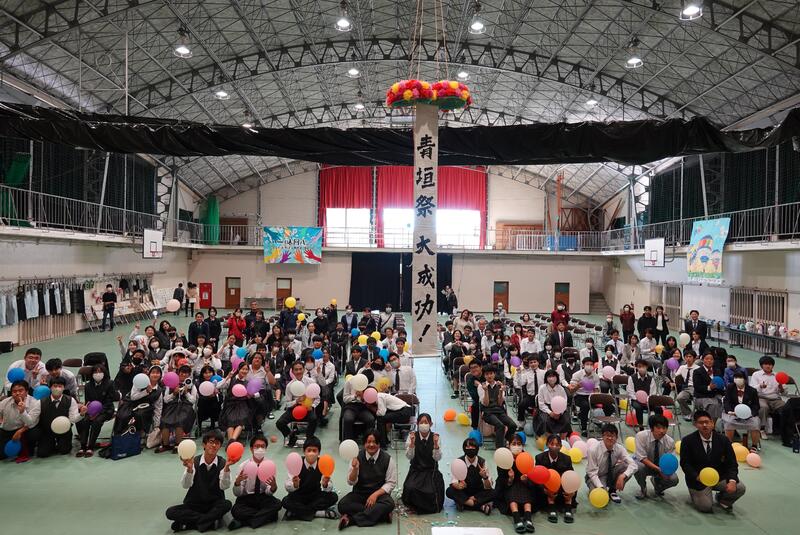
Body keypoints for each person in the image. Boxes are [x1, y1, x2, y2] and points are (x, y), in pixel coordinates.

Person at [165, 429, 233, 532]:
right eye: (211, 442)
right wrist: (189, 469)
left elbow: (224, 486)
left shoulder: (223, 463)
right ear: (204, 444)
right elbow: (185, 485)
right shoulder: (194, 461)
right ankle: (209, 522)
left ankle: (190, 523)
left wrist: (227, 469)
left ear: (220, 446)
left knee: (227, 504)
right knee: (170, 512)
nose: (214, 445)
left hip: (214, 504)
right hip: (194, 504)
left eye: (217, 443)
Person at [679, 410, 746, 513]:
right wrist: (697, 477)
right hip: (698, 480)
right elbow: (685, 464)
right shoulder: (687, 441)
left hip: (719, 477)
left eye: (707, 422)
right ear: (695, 424)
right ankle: (697, 494)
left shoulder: (724, 440)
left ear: (712, 423)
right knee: (705, 507)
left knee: (740, 488)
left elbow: (732, 463)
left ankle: (722, 499)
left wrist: (732, 481)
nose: (704, 425)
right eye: (701, 423)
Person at [338, 430, 397, 529]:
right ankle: (381, 515)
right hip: (360, 493)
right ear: (364, 443)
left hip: (379, 495)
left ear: (379, 444)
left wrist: (375, 495)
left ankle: (351, 520)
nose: (371, 445)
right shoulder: (356, 457)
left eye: (374, 442)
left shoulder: (388, 459)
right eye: (368, 442)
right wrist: (355, 469)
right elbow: (351, 482)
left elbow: (390, 483)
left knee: (389, 504)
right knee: (342, 505)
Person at [228, 435, 282, 529]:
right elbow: (238, 494)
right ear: (251, 449)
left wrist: (273, 487)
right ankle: (265, 517)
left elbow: (268, 492)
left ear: (266, 449)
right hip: (247, 498)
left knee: (278, 504)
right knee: (235, 510)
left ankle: (244, 521)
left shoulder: (270, 466)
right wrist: (237, 483)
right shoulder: (243, 466)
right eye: (257, 446)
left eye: (263, 446)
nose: (260, 449)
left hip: (263, 497)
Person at [280, 434, 339, 520]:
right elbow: (287, 487)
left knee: (333, 497)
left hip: (315, 495)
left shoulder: (323, 463)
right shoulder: (296, 462)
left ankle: (297, 513)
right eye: (309, 450)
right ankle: (318, 513)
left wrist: (325, 484)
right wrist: (295, 485)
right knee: (285, 501)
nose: (311, 453)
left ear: (319, 452)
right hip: (299, 495)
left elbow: (328, 488)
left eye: (314, 450)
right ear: (304, 451)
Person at [401, 413, 445, 514]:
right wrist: (412, 444)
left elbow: (437, 458)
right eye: (421, 422)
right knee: (410, 488)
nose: (424, 424)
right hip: (416, 470)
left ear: (431, 424)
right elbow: (409, 456)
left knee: (431, 492)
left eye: (426, 422)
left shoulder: (436, 437)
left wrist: (436, 445)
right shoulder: (412, 436)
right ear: (417, 424)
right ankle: (414, 506)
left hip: (431, 471)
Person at [585, 424, 637, 503]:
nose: (610, 438)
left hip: (610, 473)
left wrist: (623, 476)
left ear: (616, 437)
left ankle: (612, 490)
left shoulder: (619, 448)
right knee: (601, 498)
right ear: (602, 436)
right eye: (607, 435)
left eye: (612, 435)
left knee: (625, 466)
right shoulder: (593, 450)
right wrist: (601, 487)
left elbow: (634, 465)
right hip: (596, 476)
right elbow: (592, 473)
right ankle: (596, 488)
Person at [31, 376, 82, 458]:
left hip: (64, 431)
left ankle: (61, 443)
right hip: (47, 431)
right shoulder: (41, 402)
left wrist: (81, 414)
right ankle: (49, 443)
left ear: (64, 388)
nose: (57, 388)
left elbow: (73, 419)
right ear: (50, 387)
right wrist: (23, 413)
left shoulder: (70, 400)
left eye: (60, 386)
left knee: (64, 451)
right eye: (55, 386)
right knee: (42, 453)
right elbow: (31, 420)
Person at [495, 433, 536, 533]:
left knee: (526, 494)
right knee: (512, 494)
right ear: (508, 445)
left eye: (519, 444)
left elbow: (532, 477)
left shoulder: (526, 458)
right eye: (514, 444)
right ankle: (517, 519)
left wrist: (526, 480)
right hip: (509, 485)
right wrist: (510, 479)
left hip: (523, 484)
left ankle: (528, 518)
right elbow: (501, 480)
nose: (516, 446)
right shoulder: (504, 458)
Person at [633, 414, 679, 499]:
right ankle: (643, 488)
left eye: (664, 428)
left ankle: (658, 487)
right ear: (651, 428)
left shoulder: (670, 441)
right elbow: (642, 458)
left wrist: (666, 471)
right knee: (638, 467)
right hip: (645, 465)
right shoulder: (641, 436)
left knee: (674, 479)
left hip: (661, 467)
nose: (662, 431)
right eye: (658, 427)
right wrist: (658, 469)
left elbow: (670, 461)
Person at [76, 364, 116, 458]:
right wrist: (89, 412)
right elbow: (88, 402)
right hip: (91, 410)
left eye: (100, 371)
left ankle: (90, 446)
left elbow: (109, 401)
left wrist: (98, 413)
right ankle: (83, 446)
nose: (98, 374)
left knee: (97, 421)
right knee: (85, 420)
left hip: (106, 410)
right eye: (95, 372)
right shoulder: (87, 386)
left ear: (104, 373)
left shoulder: (110, 384)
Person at [446, 437, 494, 514]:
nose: (470, 449)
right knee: (450, 491)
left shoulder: (482, 462)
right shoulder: (459, 462)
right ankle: (478, 506)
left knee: (494, 492)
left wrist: (485, 477)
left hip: (478, 492)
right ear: (464, 449)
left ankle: (464, 503)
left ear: (477, 449)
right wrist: (458, 486)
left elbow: (488, 487)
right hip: (464, 491)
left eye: (472, 447)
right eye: (467, 447)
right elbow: (454, 482)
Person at [156, 365, 197, 453]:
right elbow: (165, 400)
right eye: (182, 373)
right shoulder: (171, 384)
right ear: (178, 373)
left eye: (186, 373)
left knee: (180, 421)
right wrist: (174, 394)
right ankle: (165, 445)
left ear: (189, 374)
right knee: (164, 420)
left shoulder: (192, 385)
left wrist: (186, 393)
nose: (184, 375)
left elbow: (193, 400)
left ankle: (178, 444)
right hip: (172, 407)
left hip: (186, 407)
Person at [535, 434, 576, 523]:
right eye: (552, 444)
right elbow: (537, 478)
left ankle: (568, 508)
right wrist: (545, 491)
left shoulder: (567, 459)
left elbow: (571, 476)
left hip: (561, 486)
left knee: (570, 488)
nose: (554, 447)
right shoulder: (539, 458)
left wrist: (571, 491)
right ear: (547, 444)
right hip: (546, 487)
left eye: (557, 445)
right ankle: (551, 507)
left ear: (560, 447)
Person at [276, 360, 318, 446]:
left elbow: (317, 398)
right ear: (292, 371)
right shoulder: (289, 385)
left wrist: (312, 406)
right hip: (294, 408)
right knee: (279, 423)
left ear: (304, 369)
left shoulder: (311, 382)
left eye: (300, 369)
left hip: (307, 407)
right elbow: (287, 404)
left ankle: (309, 439)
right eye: (296, 369)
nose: (298, 371)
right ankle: (291, 436)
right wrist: (296, 401)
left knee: (314, 419)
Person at [0, 380, 41, 462]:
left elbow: (31, 422)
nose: (17, 393)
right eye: (14, 391)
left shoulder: (35, 403)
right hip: (7, 429)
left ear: (26, 392)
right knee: (1, 455)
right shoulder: (5, 402)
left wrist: (22, 412)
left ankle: (29, 448)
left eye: (20, 390)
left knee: (34, 433)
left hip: (25, 430)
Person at [478, 365, 517, 447]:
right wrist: (486, 391)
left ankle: (505, 439)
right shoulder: (481, 386)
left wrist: (501, 391)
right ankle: (500, 447)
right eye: (487, 374)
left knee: (513, 425)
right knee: (500, 426)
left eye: (491, 373)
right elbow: (486, 404)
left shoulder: (499, 385)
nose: (489, 376)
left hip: (499, 411)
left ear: (494, 374)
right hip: (487, 412)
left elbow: (500, 403)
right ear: (484, 376)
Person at [722, 371, 761, 451]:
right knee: (729, 422)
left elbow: (756, 406)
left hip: (748, 415)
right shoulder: (730, 388)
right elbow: (727, 402)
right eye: (736, 377)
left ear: (745, 379)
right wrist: (729, 411)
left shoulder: (752, 391)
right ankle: (729, 445)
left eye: (740, 377)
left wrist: (751, 414)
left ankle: (754, 446)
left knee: (756, 423)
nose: (737, 379)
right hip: (733, 413)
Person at [749, 355, 785, 439]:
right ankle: (762, 429)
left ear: (773, 365)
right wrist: (760, 386)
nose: (768, 366)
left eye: (770, 364)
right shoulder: (756, 374)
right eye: (766, 364)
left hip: (775, 398)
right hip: (761, 397)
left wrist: (781, 387)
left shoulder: (777, 375)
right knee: (763, 407)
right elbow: (751, 389)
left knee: (785, 407)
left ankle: (782, 429)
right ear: (761, 365)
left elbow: (784, 393)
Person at [218, 362, 255, 444]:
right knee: (230, 419)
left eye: (246, 369)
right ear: (239, 369)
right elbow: (218, 386)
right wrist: (227, 377)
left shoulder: (248, 382)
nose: (244, 371)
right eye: (243, 369)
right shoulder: (231, 379)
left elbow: (255, 394)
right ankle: (232, 442)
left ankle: (232, 441)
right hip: (230, 404)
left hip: (242, 405)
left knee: (241, 419)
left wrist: (251, 395)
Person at [569, 357, 604, 437]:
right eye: (587, 364)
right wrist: (578, 386)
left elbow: (597, 389)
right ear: (583, 365)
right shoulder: (577, 375)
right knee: (585, 406)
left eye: (591, 364)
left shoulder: (595, 376)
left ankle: (601, 423)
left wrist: (596, 394)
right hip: (579, 396)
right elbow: (571, 391)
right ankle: (584, 428)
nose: (589, 366)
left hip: (591, 396)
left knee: (609, 406)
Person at [626, 359, 659, 431]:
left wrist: (647, 400)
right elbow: (630, 392)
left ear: (646, 367)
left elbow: (652, 392)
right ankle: (641, 426)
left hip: (648, 400)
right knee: (638, 407)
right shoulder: (632, 378)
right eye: (639, 366)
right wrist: (638, 399)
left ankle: (656, 425)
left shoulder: (651, 379)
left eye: (643, 366)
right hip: (635, 400)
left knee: (658, 408)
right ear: (636, 368)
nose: (641, 368)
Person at [538, 370, 571, 438]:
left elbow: (564, 402)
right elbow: (541, 404)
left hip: (559, 409)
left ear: (557, 377)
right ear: (546, 378)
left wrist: (559, 412)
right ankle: (550, 439)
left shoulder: (561, 388)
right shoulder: (542, 388)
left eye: (553, 376)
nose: (551, 378)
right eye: (549, 376)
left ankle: (561, 440)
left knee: (566, 421)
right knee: (546, 421)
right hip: (546, 409)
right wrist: (550, 413)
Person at [514, 354, 545, 427]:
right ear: (529, 364)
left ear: (538, 362)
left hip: (542, 396)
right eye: (531, 362)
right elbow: (520, 383)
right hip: (531, 397)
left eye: (535, 362)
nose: (533, 364)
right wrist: (519, 373)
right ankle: (521, 423)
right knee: (521, 405)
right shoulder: (526, 374)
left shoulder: (544, 373)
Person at [693, 352, 723, 423]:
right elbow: (697, 387)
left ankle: (713, 423)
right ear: (702, 360)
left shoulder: (717, 371)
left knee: (723, 402)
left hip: (715, 395)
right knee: (713, 405)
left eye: (711, 359)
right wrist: (709, 387)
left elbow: (720, 385)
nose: (709, 361)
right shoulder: (697, 371)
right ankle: (710, 424)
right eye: (707, 359)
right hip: (702, 396)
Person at [674, 350, 700, 420]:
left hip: (696, 388)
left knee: (697, 401)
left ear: (694, 358)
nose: (688, 358)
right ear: (684, 358)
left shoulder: (698, 368)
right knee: (679, 398)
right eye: (686, 357)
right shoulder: (682, 367)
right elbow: (676, 377)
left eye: (690, 357)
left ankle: (698, 414)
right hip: (686, 388)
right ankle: (688, 413)